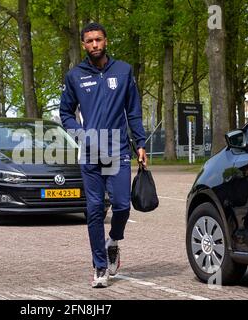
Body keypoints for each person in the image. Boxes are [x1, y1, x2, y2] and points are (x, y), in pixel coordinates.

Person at [60, 23, 147, 288]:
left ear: (106, 41)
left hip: (118, 150)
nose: (94, 45)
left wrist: (140, 143)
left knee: (122, 205)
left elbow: (133, 110)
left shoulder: (123, 71)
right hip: (89, 152)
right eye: (89, 41)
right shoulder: (75, 76)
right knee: (95, 209)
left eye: (98, 40)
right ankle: (100, 266)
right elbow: (65, 113)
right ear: (84, 44)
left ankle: (114, 241)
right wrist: (81, 133)